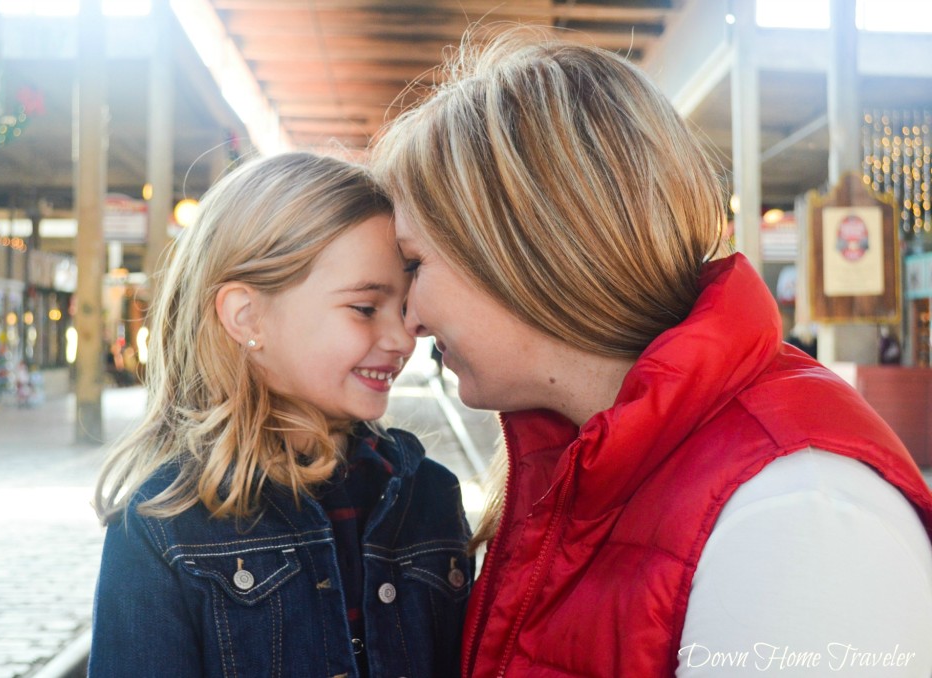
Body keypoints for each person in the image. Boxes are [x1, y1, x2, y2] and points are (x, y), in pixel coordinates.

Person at [370, 28, 932, 677]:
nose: (408, 318)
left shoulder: (802, 521)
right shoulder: (572, 458)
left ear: (519, 250)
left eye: (414, 264)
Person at [89, 152, 472, 678]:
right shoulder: (164, 527)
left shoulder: (431, 497)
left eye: (403, 307)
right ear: (247, 316)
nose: (403, 337)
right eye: (365, 308)